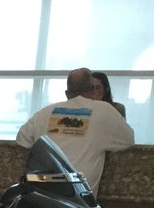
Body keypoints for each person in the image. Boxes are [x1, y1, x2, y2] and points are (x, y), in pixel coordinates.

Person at [16, 67, 134, 196]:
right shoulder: (105, 111)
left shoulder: (46, 112)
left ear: (67, 93)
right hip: (79, 196)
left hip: (44, 192)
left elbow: (23, 139)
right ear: (92, 90)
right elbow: (128, 140)